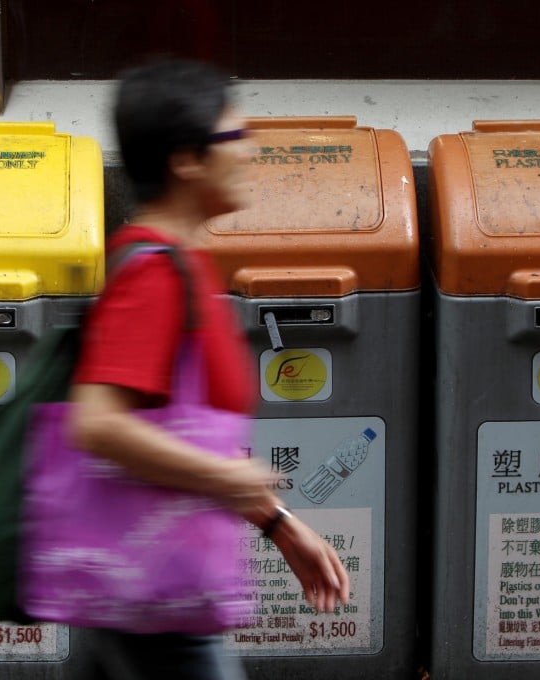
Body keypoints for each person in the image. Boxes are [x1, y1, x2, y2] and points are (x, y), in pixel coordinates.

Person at [66, 59, 350, 680]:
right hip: (160, 605)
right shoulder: (154, 275)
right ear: (186, 160)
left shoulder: (179, 267)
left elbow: (178, 428)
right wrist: (232, 479)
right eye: (233, 137)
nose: (248, 152)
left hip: (155, 592)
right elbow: (99, 425)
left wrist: (278, 524)